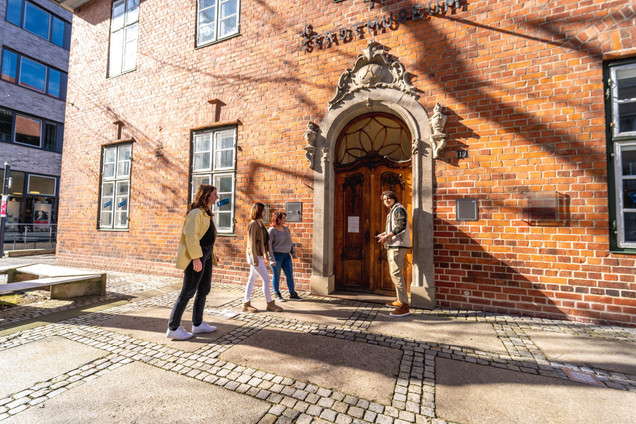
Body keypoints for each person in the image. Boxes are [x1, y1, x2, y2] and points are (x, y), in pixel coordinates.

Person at [166, 184, 220, 340]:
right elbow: (191, 237)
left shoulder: (206, 213)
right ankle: (173, 327)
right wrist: (196, 258)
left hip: (206, 255)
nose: (217, 197)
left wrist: (213, 254)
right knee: (188, 292)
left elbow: (208, 237)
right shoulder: (195, 213)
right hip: (196, 256)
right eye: (214, 194)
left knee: (204, 290)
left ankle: (197, 324)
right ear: (206, 195)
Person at [376, 190, 411, 317]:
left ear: (394, 198)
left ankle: (404, 305)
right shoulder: (393, 211)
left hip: (398, 246)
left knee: (396, 274)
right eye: (384, 199)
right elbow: (395, 227)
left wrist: (388, 236)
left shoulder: (398, 209)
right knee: (395, 274)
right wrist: (385, 234)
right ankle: (399, 300)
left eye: (388, 198)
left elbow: (401, 226)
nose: (386, 201)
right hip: (394, 245)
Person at [243, 203, 283, 313]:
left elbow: (264, 242)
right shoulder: (253, 224)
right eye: (263, 210)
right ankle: (270, 304)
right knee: (266, 279)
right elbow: (251, 243)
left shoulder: (261, 224)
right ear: (258, 211)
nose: (265, 212)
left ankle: (246, 304)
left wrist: (264, 255)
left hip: (258, 255)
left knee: (252, 279)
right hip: (253, 255)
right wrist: (255, 259)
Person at [268, 211, 302, 301]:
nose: (285, 219)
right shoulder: (272, 230)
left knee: (290, 275)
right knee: (277, 275)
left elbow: (290, 242)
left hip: (286, 256)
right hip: (276, 255)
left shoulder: (286, 229)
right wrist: (271, 258)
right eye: (283, 218)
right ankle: (277, 294)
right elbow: (269, 246)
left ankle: (292, 294)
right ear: (278, 219)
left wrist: (293, 253)